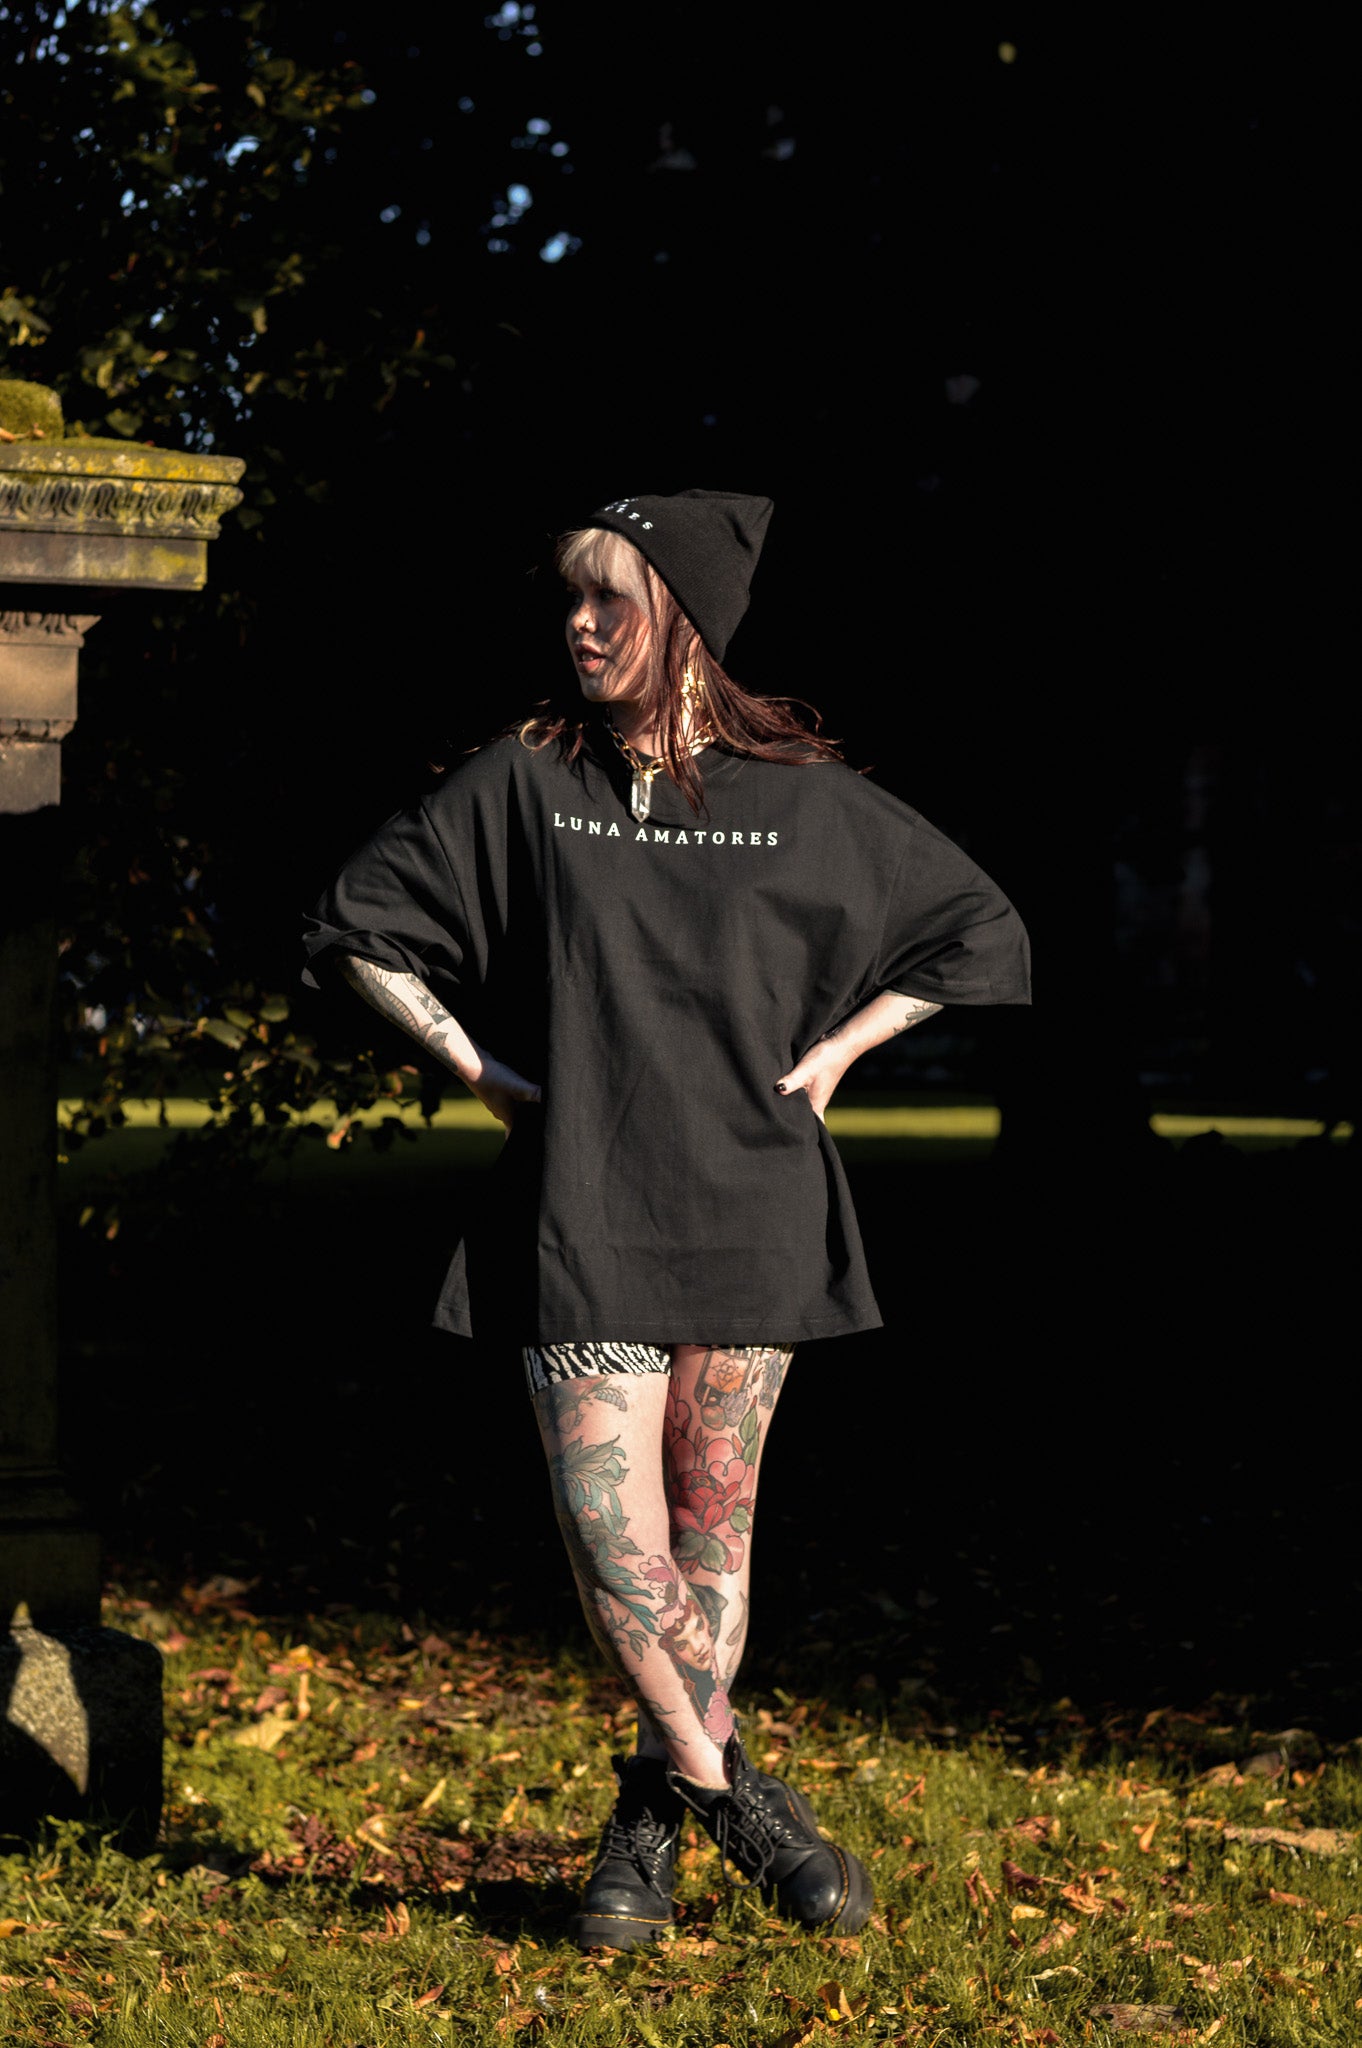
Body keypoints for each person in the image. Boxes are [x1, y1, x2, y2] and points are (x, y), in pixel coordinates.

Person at [302, 488, 1031, 1950]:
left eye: (610, 601)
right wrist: (479, 1070)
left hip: (754, 1206)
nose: (578, 626)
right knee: (608, 1540)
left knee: (710, 1542)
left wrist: (844, 1049)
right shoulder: (529, 780)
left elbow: (979, 928)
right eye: (569, 598)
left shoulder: (808, 801)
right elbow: (356, 926)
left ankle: (646, 1823)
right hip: (581, 1201)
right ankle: (740, 1801)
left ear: (685, 622)